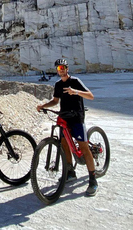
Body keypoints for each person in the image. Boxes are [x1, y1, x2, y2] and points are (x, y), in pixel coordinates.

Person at [36, 58, 98, 196]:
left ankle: (93, 179)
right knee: (64, 144)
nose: (61, 70)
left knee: (84, 147)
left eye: (63, 67)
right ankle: (70, 171)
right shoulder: (58, 85)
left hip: (77, 117)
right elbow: (55, 101)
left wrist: (75, 92)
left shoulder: (75, 81)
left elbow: (91, 96)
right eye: (59, 68)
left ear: (67, 68)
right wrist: (43, 106)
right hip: (64, 117)